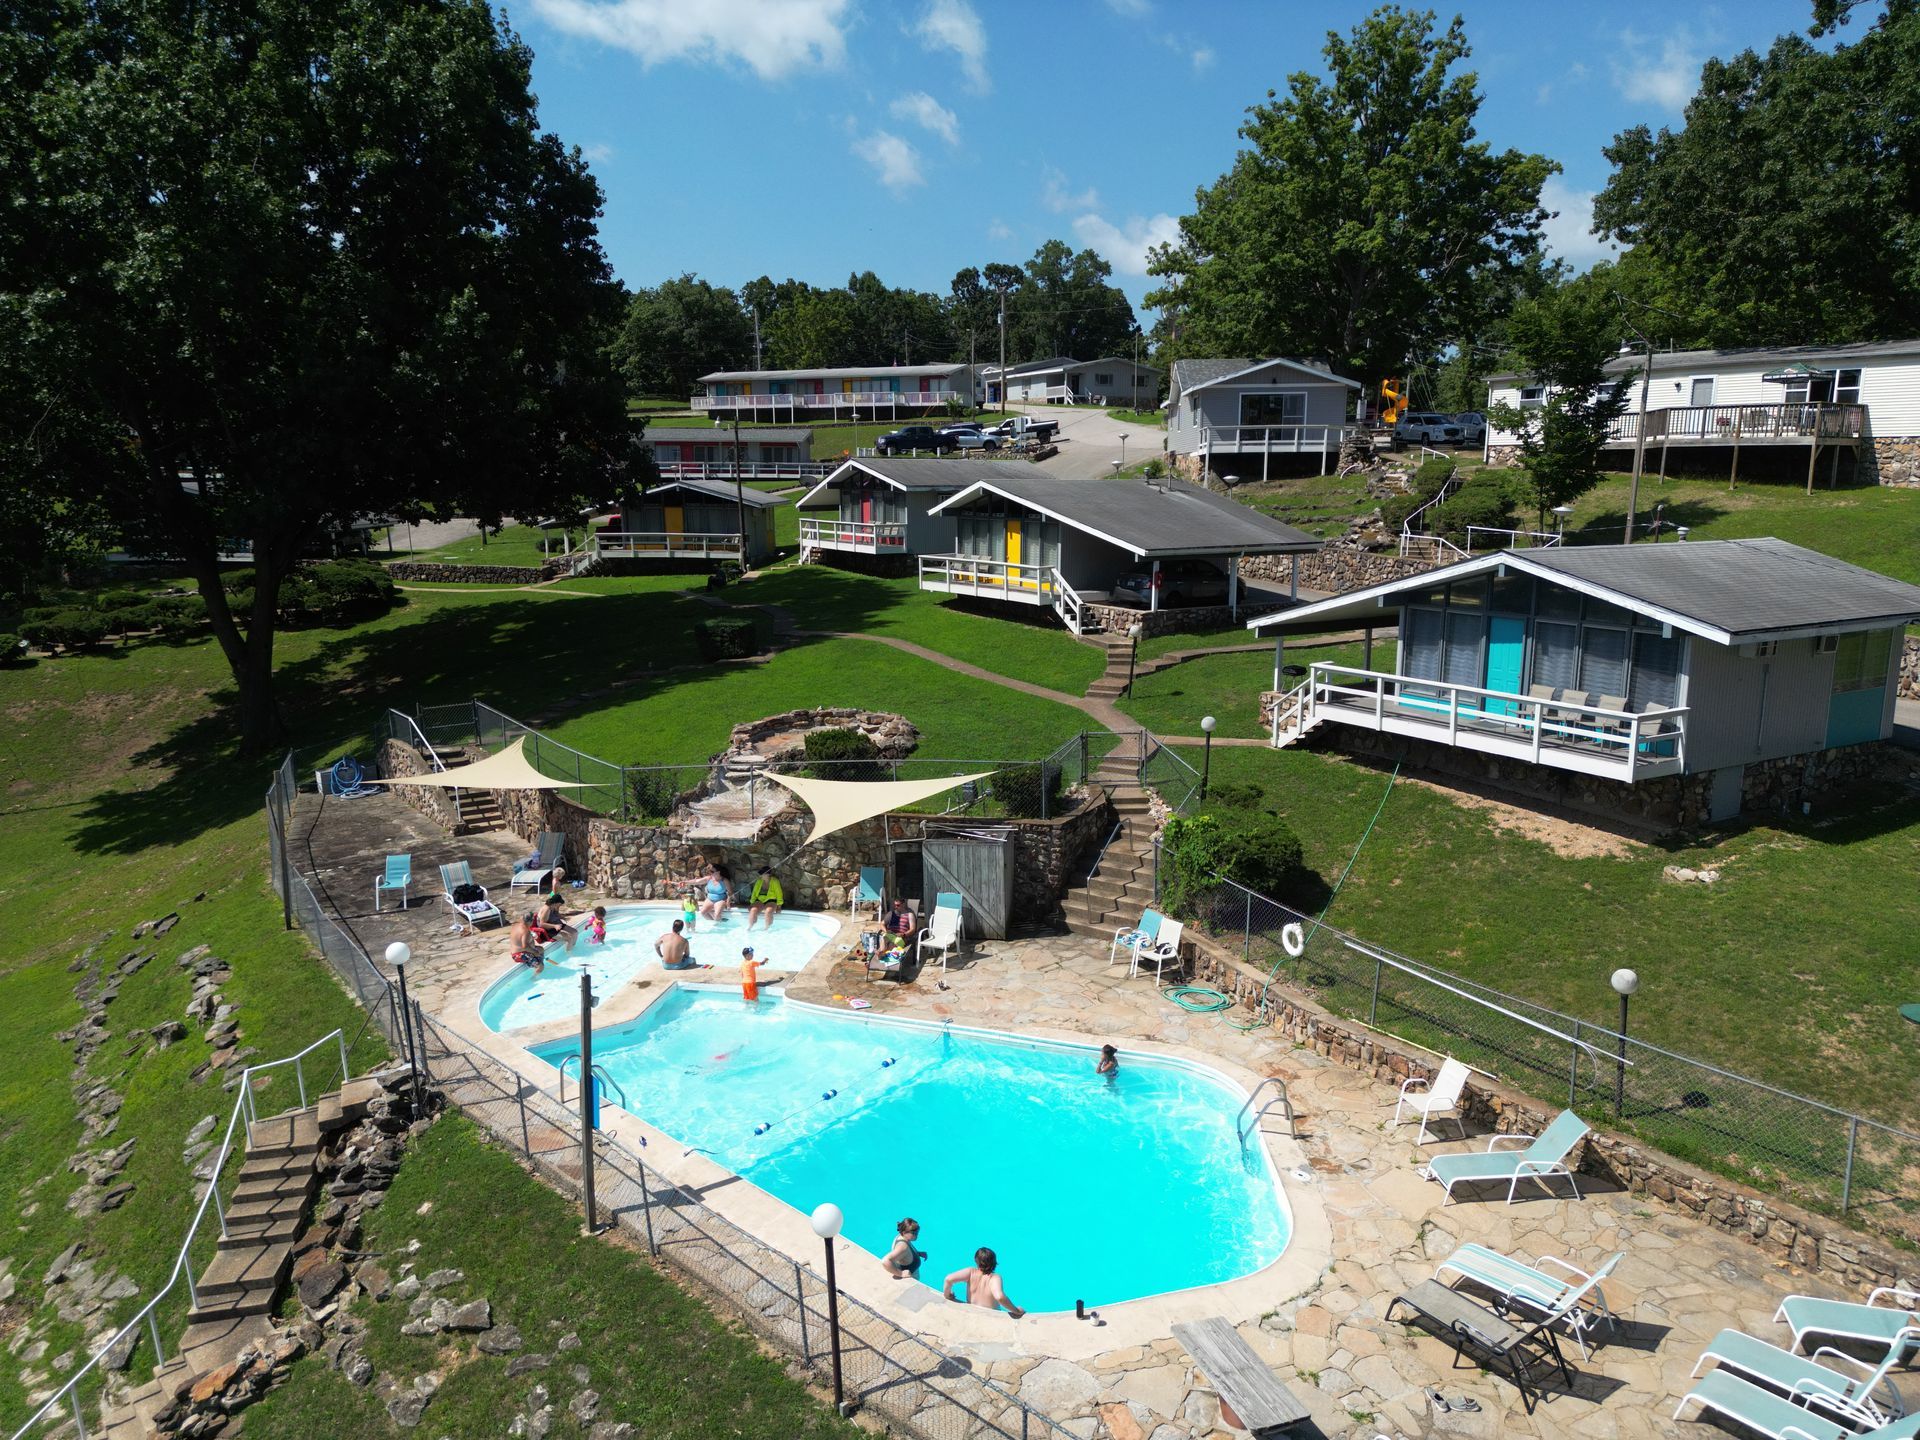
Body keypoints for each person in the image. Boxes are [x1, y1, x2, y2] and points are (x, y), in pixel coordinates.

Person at [943, 1248, 1023, 1318]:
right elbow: (1000, 1297)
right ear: (994, 1262)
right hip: (989, 1317)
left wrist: (947, 1295)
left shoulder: (970, 1272)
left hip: (971, 1314)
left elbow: (948, 1279)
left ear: (976, 1261)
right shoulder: (994, 1277)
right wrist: (1016, 1311)